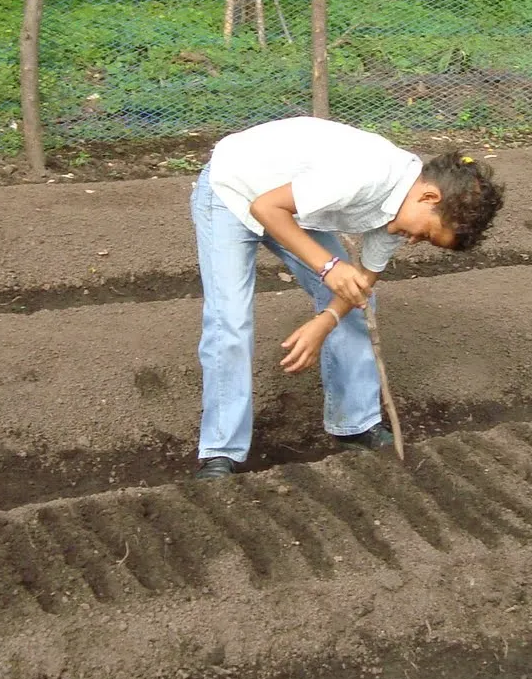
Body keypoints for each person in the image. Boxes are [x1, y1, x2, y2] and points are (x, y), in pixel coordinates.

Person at [189, 116, 504, 479]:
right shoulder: (366, 174)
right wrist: (327, 267)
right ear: (429, 197)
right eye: (427, 234)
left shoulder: (402, 210)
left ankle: (355, 424)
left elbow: (363, 281)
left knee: (358, 303)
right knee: (230, 321)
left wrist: (326, 322)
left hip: (288, 201)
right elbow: (264, 208)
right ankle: (219, 452)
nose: (414, 241)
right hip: (232, 192)